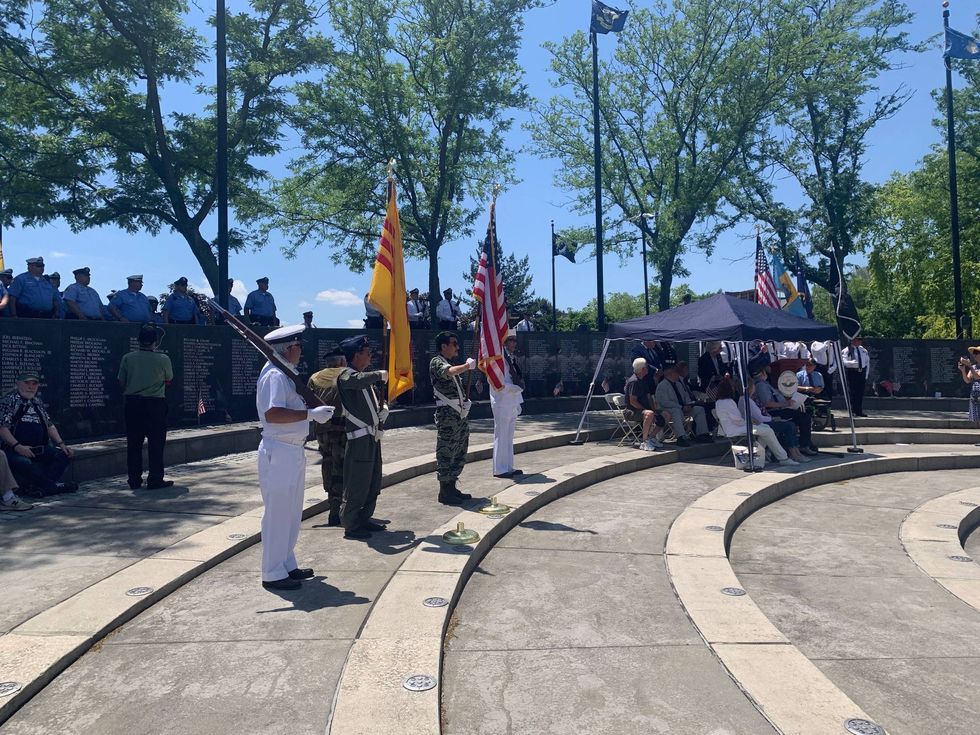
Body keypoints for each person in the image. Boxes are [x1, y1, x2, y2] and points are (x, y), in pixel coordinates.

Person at [255, 325, 335, 591]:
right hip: (279, 450)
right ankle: (272, 572)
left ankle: (286, 563)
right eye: (298, 346)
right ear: (287, 349)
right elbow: (273, 414)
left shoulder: (286, 374)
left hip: (291, 450)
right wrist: (311, 415)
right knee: (278, 513)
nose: (301, 350)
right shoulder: (275, 376)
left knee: (290, 513)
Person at [337, 335, 388, 539]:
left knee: (372, 481)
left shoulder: (364, 378)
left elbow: (374, 400)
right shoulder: (347, 376)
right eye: (367, 353)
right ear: (356, 355)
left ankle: (364, 518)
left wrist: (383, 409)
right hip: (359, 440)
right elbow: (356, 382)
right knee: (358, 482)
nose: (370, 357)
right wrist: (378, 374)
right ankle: (351, 524)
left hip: (372, 438)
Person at [0, 371, 77, 496]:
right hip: (12, 449)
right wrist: (18, 447)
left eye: (34, 383)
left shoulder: (37, 402)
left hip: (38, 449)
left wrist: (61, 444)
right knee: (25, 463)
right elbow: (2, 428)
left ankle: (39, 487)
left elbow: (49, 425)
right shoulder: (9, 401)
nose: (30, 386)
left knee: (63, 455)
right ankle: (53, 487)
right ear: (18, 384)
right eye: (27, 383)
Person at [118, 323, 174, 490]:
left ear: (138, 340)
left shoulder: (128, 358)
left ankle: (134, 480)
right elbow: (169, 380)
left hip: (133, 403)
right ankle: (155, 479)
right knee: (156, 444)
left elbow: (121, 381)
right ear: (155, 342)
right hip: (155, 403)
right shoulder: (163, 359)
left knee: (134, 443)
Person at [430, 331, 477, 504]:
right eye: (454, 343)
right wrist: (466, 366)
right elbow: (448, 372)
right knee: (446, 450)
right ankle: (444, 491)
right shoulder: (437, 362)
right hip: (447, 416)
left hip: (458, 415)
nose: (457, 347)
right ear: (444, 346)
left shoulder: (449, 363)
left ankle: (452, 486)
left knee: (459, 448)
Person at [713, 379, 798, 466]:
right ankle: (783, 458)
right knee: (767, 430)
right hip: (735, 429)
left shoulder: (719, 402)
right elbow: (737, 420)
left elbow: (735, 419)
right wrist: (750, 422)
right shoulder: (728, 402)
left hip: (733, 428)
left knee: (766, 428)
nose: (734, 389)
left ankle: (757, 455)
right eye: (732, 387)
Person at [308, 348, 348, 527]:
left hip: (322, 431)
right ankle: (338, 509)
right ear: (341, 362)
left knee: (328, 463)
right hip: (342, 430)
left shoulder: (315, 378)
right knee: (341, 467)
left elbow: (308, 401)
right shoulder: (346, 374)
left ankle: (332, 502)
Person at [753, 364, 817, 455]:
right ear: (763, 373)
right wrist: (785, 404)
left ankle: (804, 444)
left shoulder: (765, 384)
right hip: (774, 411)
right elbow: (767, 403)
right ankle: (804, 445)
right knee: (803, 417)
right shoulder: (761, 385)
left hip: (782, 408)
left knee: (803, 414)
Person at [490, 333, 525, 477]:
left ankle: (508, 466)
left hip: (511, 400)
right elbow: (496, 381)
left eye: (515, 341)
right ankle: (499, 468)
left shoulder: (509, 358)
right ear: (504, 343)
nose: (514, 344)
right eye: (511, 341)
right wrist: (514, 388)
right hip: (502, 399)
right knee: (501, 434)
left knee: (509, 436)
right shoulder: (498, 359)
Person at [655, 364, 711, 446]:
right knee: (676, 411)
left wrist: (689, 405)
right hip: (668, 410)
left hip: (683, 408)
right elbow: (664, 402)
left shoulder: (679, 384)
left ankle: (702, 434)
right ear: (671, 374)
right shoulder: (662, 386)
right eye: (676, 372)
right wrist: (681, 407)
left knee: (699, 409)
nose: (679, 374)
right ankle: (681, 437)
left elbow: (685, 397)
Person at [624, 358, 663, 451]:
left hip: (644, 409)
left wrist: (654, 411)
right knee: (649, 414)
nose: (648, 368)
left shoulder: (644, 380)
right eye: (647, 367)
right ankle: (644, 441)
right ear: (642, 369)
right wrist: (646, 410)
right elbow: (633, 401)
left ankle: (652, 438)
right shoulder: (634, 381)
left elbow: (649, 397)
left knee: (665, 414)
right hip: (632, 411)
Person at [841, 336, 870, 417]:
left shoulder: (863, 350)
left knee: (860, 393)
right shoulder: (847, 350)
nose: (860, 341)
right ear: (853, 340)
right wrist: (852, 363)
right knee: (852, 392)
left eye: (861, 339)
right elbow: (843, 361)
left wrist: (866, 375)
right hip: (852, 372)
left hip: (862, 373)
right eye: (858, 339)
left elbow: (867, 363)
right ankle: (852, 411)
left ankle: (859, 411)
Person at [958, 347, 980, 426]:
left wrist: (969, 366)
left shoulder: (972, 367)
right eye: (974, 354)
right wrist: (963, 370)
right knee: (977, 419)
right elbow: (967, 380)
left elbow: (977, 376)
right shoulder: (974, 367)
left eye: (977, 354)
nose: (975, 356)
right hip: (975, 395)